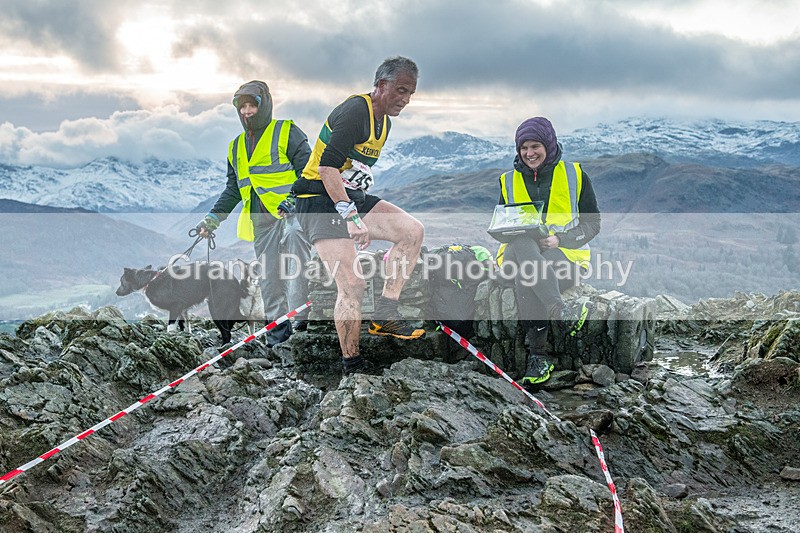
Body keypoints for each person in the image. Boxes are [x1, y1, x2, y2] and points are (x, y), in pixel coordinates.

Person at [293, 56, 425, 375]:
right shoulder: (355, 111)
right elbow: (327, 168)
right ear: (381, 85)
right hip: (318, 200)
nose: (405, 100)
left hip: (349, 195)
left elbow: (353, 170)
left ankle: (386, 313)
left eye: (410, 93)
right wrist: (352, 218)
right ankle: (352, 364)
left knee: (412, 231)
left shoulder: (385, 123)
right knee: (352, 283)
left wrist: (355, 205)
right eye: (401, 90)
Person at [195, 80, 312, 346]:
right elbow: (233, 189)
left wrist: (293, 200)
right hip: (262, 223)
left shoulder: (286, 131)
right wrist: (212, 219)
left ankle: (303, 322)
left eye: (252, 105)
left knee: (295, 261)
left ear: (265, 105)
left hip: (293, 215)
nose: (247, 111)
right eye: (242, 107)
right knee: (270, 282)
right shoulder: (235, 146)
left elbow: (308, 172)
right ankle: (278, 342)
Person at [496, 117, 601, 386]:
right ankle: (559, 312)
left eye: (535, 146)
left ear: (549, 145)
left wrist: (560, 240)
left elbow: (592, 224)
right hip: (516, 255)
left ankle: (538, 357)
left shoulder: (575, 175)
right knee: (522, 242)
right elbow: (503, 224)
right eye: (523, 148)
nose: (529, 153)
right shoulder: (508, 181)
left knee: (527, 276)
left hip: (565, 257)